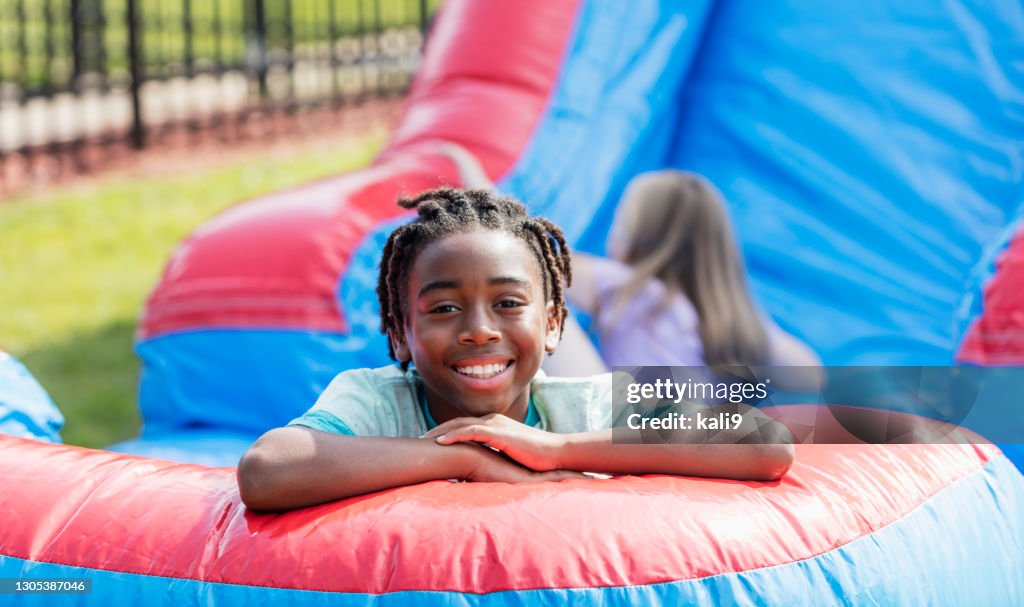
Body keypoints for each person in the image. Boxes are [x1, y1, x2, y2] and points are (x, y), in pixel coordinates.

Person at [237, 187, 794, 511]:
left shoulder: (588, 406)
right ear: (401, 334)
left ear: (553, 325)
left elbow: (765, 442)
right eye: (444, 308)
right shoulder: (378, 402)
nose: (479, 330)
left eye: (508, 303)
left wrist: (555, 449)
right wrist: (466, 459)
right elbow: (267, 469)